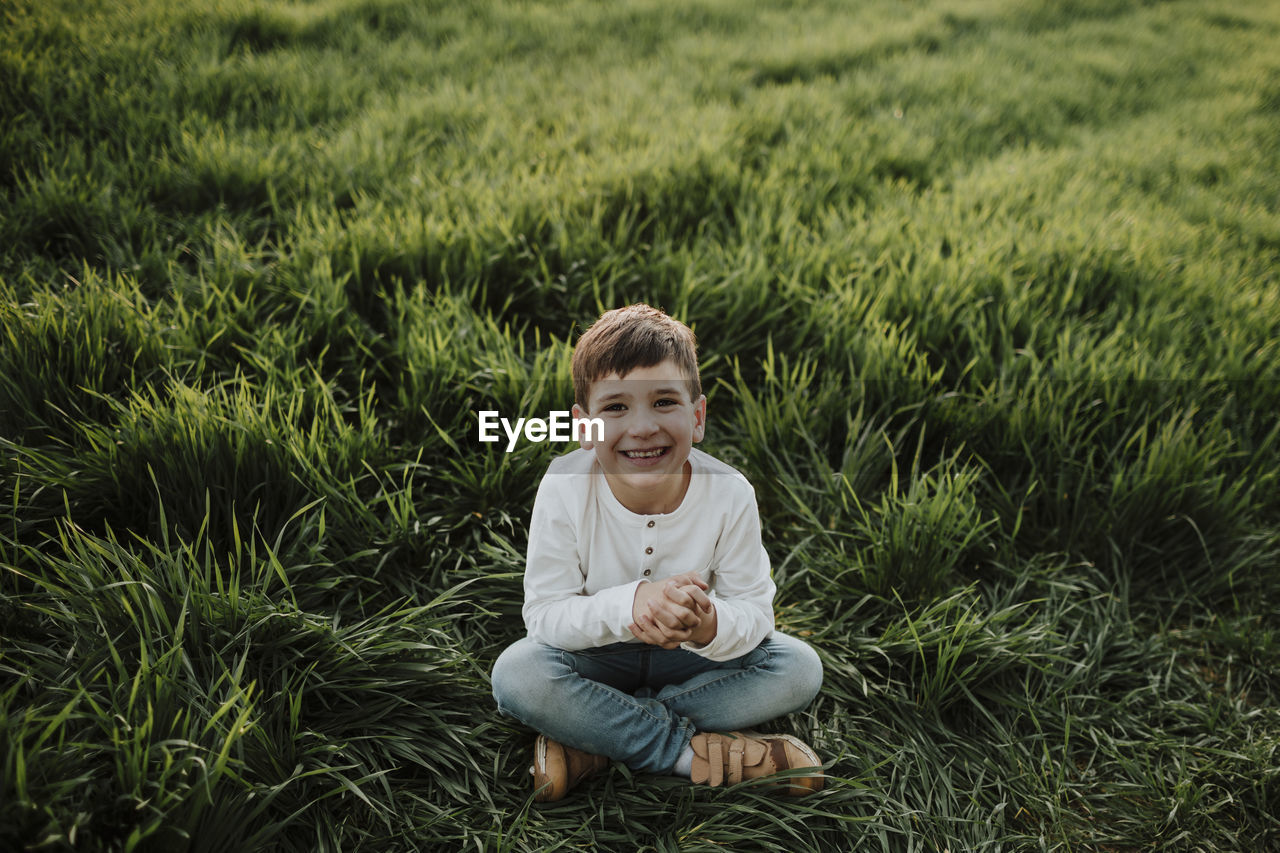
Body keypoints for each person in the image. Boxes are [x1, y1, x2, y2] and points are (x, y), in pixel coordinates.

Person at [490, 303, 824, 802]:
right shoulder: (563, 487)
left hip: (689, 660)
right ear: (584, 428)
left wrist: (708, 625)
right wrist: (633, 604)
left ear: (698, 416)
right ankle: (687, 754)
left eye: (665, 402)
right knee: (519, 674)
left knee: (798, 667)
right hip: (595, 656)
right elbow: (545, 616)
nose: (642, 427)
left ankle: (598, 738)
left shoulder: (730, 493)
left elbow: (755, 612)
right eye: (616, 408)